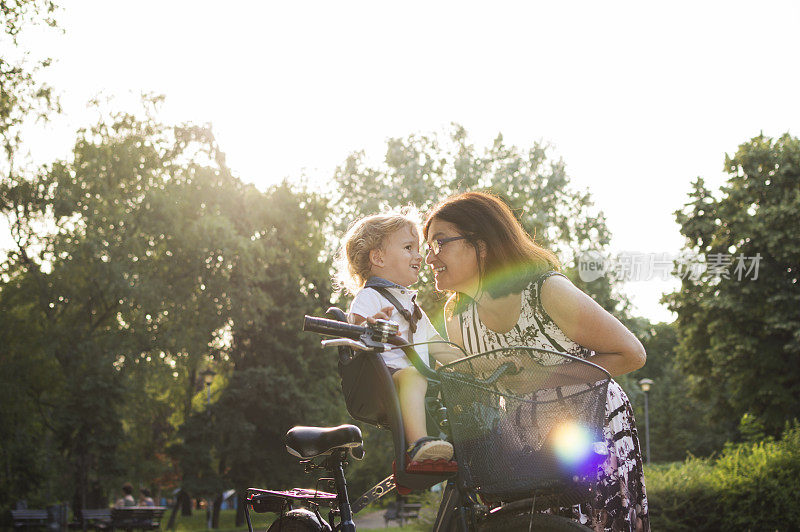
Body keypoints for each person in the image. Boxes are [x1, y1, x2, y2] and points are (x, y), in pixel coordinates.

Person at [423, 191, 650, 532]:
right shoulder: (458, 313)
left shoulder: (545, 291)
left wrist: (542, 377)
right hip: (524, 444)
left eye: (439, 243)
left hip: (589, 430)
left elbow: (631, 353)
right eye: (427, 246)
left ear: (481, 245)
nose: (429, 258)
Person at [335, 210, 462, 462]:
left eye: (418, 248)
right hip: (383, 381)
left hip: (416, 382)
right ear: (378, 257)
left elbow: (438, 346)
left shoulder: (411, 306)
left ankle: (438, 450)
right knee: (415, 376)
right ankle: (417, 446)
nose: (419, 256)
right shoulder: (370, 297)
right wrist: (371, 325)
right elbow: (354, 327)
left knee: (451, 388)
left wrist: (473, 363)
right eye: (408, 247)